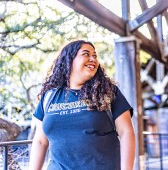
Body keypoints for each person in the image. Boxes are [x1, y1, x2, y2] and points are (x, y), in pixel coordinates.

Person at [29, 40, 135, 170]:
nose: (93, 59)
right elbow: (40, 141)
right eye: (86, 54)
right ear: (69, 60)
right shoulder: (49, 97)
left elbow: (126, 132)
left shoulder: (108, 92)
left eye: (95, 56)